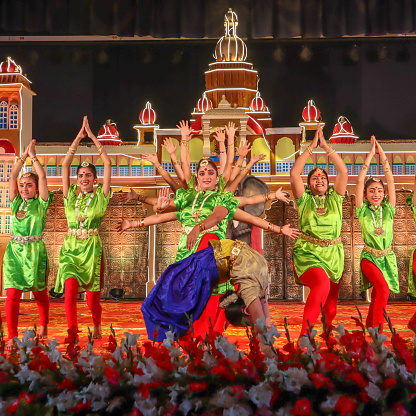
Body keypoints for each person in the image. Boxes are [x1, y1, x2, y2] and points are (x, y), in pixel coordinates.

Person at [141, 238, 299, 341]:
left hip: (209, 265)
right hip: (204, 268)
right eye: (246, 324)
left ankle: (171, 343)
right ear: (245, 309)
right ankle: (163, 344)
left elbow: (264, 317)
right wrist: (265, 353)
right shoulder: (249, 288)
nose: (248, 325)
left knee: (177, 305)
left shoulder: (258, 283)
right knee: (169, 305)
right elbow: (260, 324)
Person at [54, 116, 111, 340]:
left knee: (92, 299)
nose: (84, 177)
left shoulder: (102, 197)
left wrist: (94, 139)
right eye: (80, 175)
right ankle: (72, 331)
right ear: (76, 179)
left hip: (92, 250)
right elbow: (65, 165)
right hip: (70, 248)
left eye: (88, 175)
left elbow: (106, 164)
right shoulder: (69, 198)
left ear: (95, 180)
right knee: (68, 289)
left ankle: (97, 323)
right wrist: (78, 138)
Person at [290, 124, 348, 336]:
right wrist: (311, 148)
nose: (320, 179)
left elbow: (343, 171)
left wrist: (327, 147)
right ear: (309, 184)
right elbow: (294, 174)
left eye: (323, 177)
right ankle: (304, 336)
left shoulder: (335, 198)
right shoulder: (304, 200)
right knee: (321, 286)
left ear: (328, 182)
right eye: (314, 177)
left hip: (334, 253)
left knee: (331, 305)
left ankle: (325, 332)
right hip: (308, 252)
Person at [3, 139, 53, 350]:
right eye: (22, 185)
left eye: (28, 185)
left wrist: (33, 157)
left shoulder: (41, 203)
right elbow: (12, 176)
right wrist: (22, 156)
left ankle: (44, 325)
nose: (24, 187)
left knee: (39, 292)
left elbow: (42, 175)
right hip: (14, 251)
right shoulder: (15, 202)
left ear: (36, 189)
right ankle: (12, 336)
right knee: (12, 294)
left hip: (34, 252)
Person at [356, 136, 398, 332]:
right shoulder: (362, 210)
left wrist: (383, 156)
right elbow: (359, 181)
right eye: (371, 191)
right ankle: (378, 332)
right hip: (369, 258)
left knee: (378, 293)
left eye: (379, 191)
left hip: (387, 257)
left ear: (384, 193)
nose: (376, 194)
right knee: (383, 289)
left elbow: (390, 179)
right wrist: (370, 156)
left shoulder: (389, 209)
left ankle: (370, 326)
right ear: (365, 194)